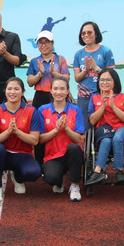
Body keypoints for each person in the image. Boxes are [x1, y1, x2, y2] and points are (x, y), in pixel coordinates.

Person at [0, 77, 42, 202]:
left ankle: (18, 177)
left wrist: (17, 132)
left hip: (23, 154)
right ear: (5, 91)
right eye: (9, 89)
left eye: (16, 89)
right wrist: (8, 132)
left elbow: (34, 140)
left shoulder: (31, 111)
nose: (12, 92)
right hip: (4, 154)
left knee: (34, 173)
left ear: (22, 92)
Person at [84, 68, 124, 186]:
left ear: (115, 81)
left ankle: (119, 171)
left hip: (121, 129)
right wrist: (103, 106)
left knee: (117, 138)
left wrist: (113, 106)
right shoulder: (94, 97)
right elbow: (92, 121)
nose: (104, 82)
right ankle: (98, 171)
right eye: (102, 80)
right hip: (104, 130)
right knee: (106, 141)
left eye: (108, 80)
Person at [26, 30, 70, 165]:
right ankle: (39, 162)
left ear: (52, 43)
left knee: (58, 127)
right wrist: (40, 73)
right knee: (39, 128)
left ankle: (58, 159)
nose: (43, 45)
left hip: (57, 97)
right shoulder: (34, 61)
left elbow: (67, 78)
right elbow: (30, 82)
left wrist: (54, 73)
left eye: (46, 42)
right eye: (40, 43)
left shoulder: (60, 59)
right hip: (40, 97)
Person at [39, 77, 85, 202]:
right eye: (55, 89)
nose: (58, 92)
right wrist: (55, 130)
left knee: (74, 148)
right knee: (51, 178)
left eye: (62, 89)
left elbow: (77, 138)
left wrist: (66, 129)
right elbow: (41, 139)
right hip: (52, 156)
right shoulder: (43, 110)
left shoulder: (75, 110)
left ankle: (74, 185)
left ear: (67, 91)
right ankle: (59, 180)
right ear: (51, 91)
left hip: (71, 153)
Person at [73, 21, 115, 127]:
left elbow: (112, 76)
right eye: (83, 33)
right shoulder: (78, 54)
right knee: (86, 128)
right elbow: (77, 79)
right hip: (84, 97)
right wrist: (85, 70)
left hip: (101, 95)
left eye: (89, 32)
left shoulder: (106, 51)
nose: (86, 35)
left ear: (96, 34)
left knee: (102, 126)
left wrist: (96, 68)